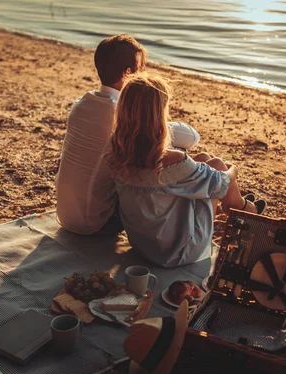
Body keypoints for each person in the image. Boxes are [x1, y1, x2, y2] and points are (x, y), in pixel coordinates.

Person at [109, 74, 265, 268]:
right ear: (159, 117)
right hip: (177, 252)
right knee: (216, 165)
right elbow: (221, 185)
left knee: (204, 160)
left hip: (142, 245)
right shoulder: (171, 160)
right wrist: (235, 169)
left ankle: (238, 208)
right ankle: (243, 208)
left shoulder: (117, 152)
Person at [56, 35, 200, 235]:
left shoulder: (81, 104)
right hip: (96, 223)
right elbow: (192, 138)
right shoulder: (121, 115)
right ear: (128, 73)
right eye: (140, 69)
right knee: (171, 151)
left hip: (64, 214)